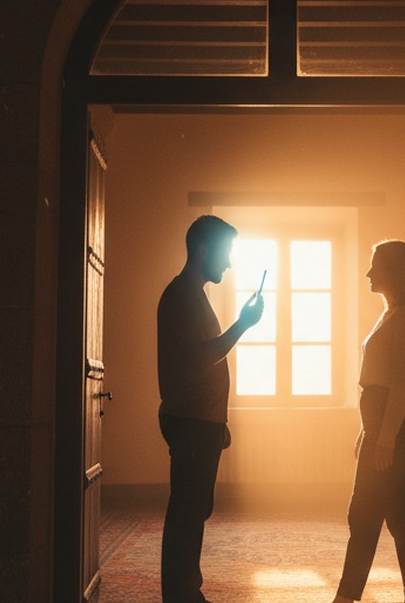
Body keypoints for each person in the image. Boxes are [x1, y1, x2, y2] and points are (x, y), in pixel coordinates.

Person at [157, 214, 264, 603]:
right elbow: (204, 359)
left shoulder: (192, 294)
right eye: (225, 254)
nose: (229, 263)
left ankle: (188, 591)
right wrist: (243, 324)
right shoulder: (182, 297)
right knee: (187, 514)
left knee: (194, 510)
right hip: (191, 423)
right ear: (203, 252)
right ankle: (181, 595)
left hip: (200, 422)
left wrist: (218, 420)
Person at [333, 240, 405, 603]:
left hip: (392, 426)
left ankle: (345, 598)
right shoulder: (393, 314)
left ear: (394, 271)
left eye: (375, 265)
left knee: (363, 514)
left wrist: (384, 439)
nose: (368, 273)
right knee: (400, 515)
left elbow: (400, 386)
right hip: (382, 426)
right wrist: (367, 433)